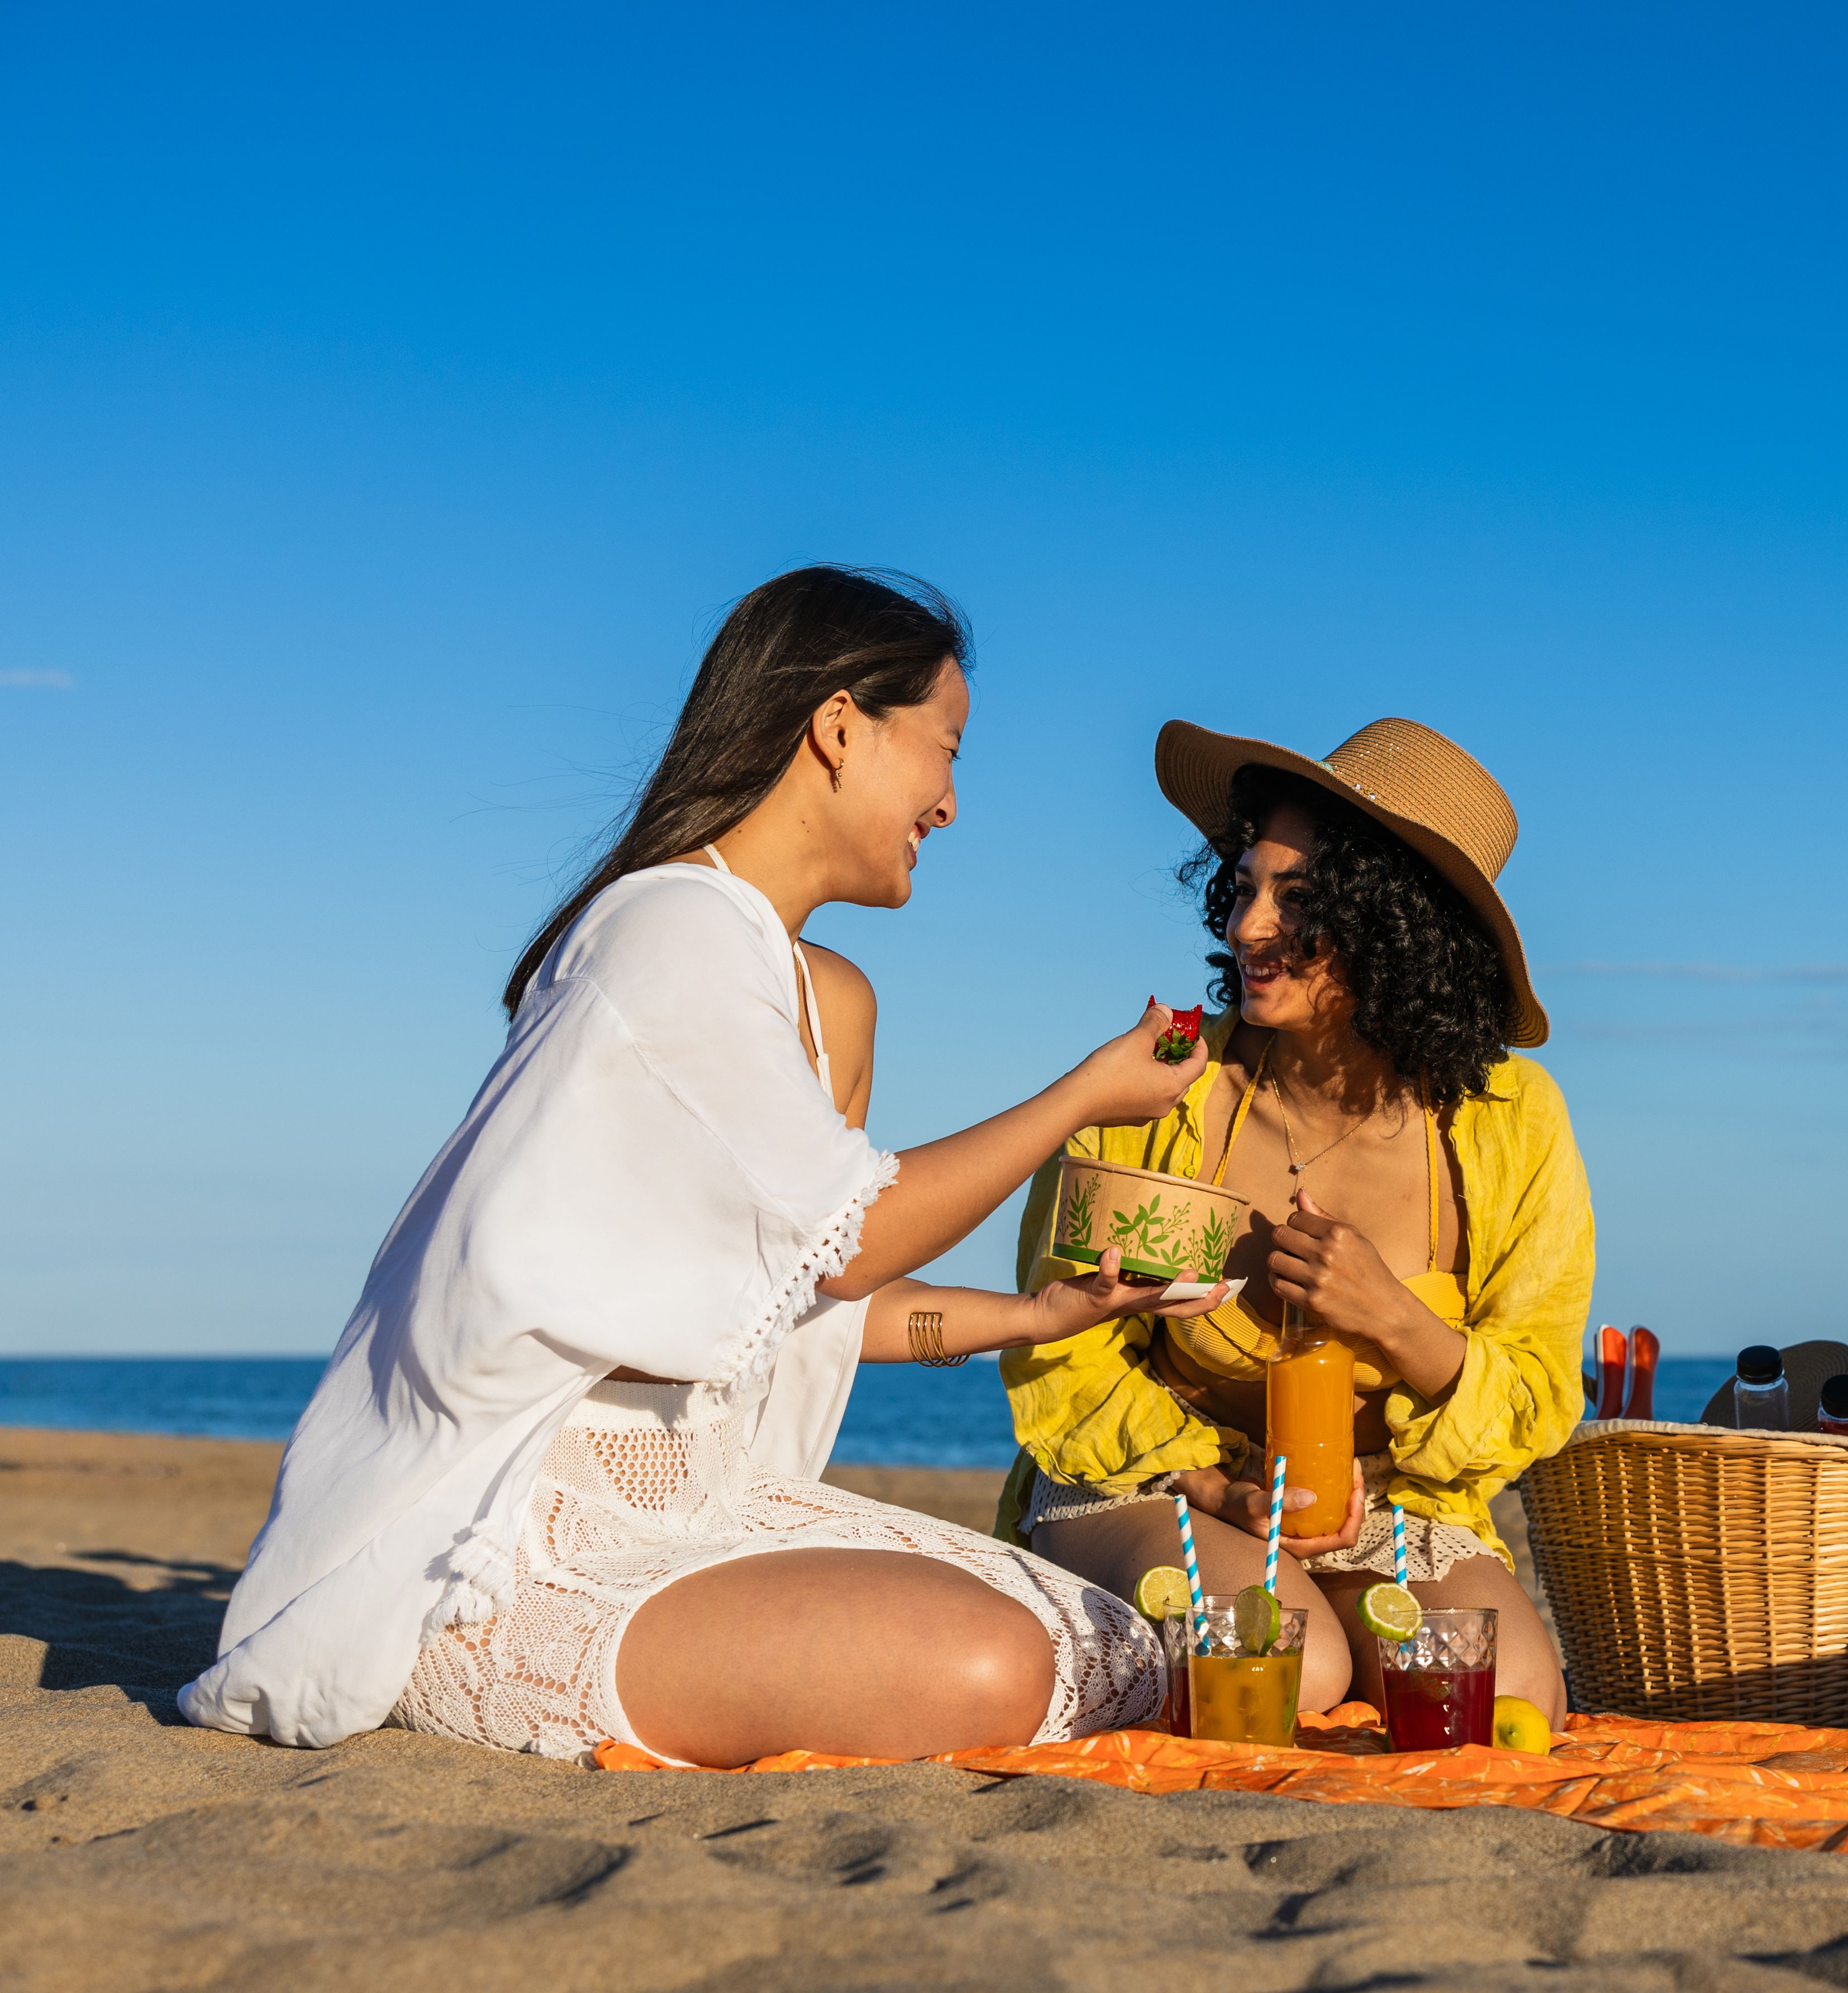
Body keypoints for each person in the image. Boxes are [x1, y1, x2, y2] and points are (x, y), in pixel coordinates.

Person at [184, 567, 1206, 1766]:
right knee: (997, 1666)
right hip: (514, 1542)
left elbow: (802, 1297)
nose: (949, 802)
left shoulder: (813, 993)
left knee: (1121, 1649)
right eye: (946, 749)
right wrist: (1085, 1094)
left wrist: (1039, 1312)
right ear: (836, 726)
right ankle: (468, 1672)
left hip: (700, 1500)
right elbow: (861, 1231)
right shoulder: (669, 932)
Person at [999, 719, 1592, 1720]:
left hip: (1386, 1503)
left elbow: (1536, 1387)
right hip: (1161, 1480)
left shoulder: (1508, 1122)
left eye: (1300, 901)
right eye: (1244, 886)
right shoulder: (1165, 1089)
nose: (1245, 927)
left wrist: (1393, 1319)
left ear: (1402, 928)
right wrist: (1221, 1490)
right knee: (1289, 1665)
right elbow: (1065, 1349)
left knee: (1497, 1692)